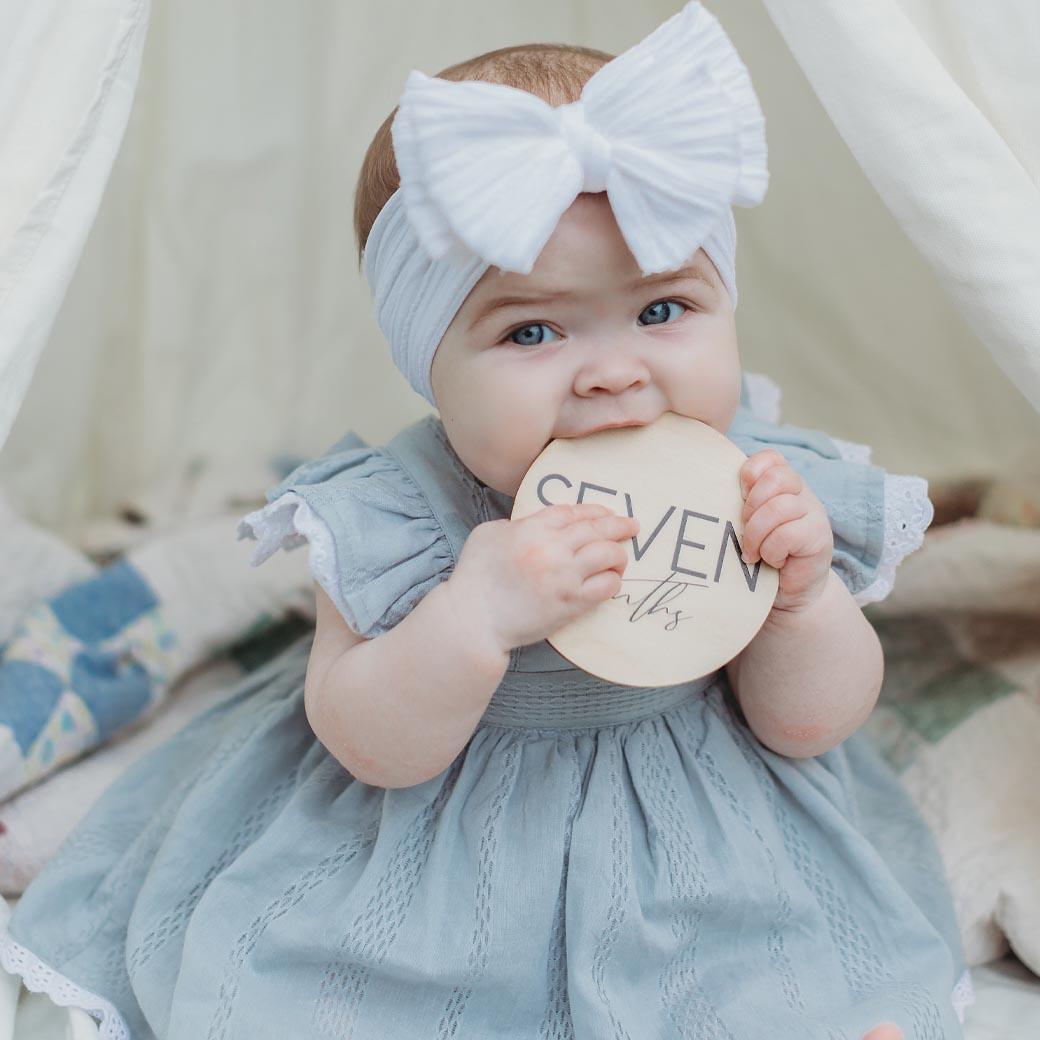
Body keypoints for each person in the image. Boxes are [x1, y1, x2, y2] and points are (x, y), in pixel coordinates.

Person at [0, 3, 971, 1037]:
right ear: (428, 357)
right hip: (440, 841)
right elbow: (369, 740)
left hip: (693, 836)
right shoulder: (395, 513)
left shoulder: (756, 479)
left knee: (751, 978)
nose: (612, 370)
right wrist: (471, 616)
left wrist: (802, 598)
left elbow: (807, 723)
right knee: (341, 990)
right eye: (533, 329)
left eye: (660, 311)